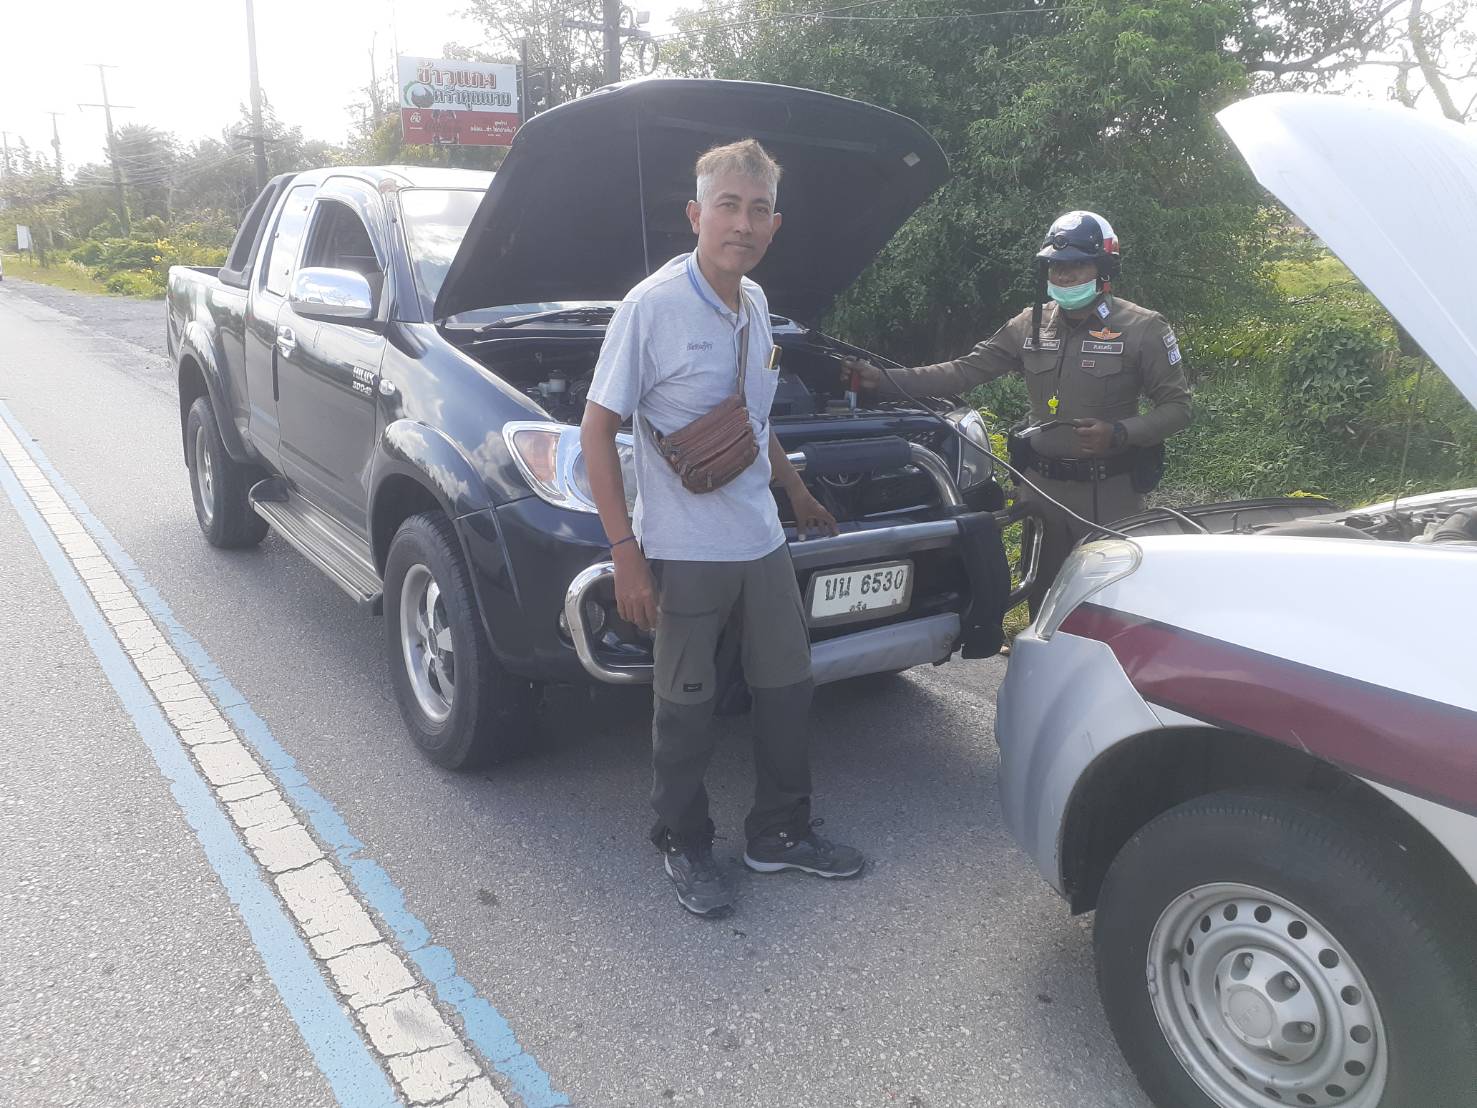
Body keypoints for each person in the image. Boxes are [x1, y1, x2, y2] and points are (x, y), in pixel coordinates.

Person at [581, 139, 865, 918]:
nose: (742, 222)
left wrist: (795, 492)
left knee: (787, 689)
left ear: (775, 223)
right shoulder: (651, 307)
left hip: (759, 537)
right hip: (684, 549)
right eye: (728, 206)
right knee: (686, 705)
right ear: (695, 214)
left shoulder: (756, 302)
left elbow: (752, 417)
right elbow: (597, 429)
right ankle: (682, 839)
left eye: (758, 209)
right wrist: (625, 553)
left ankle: (779, 832)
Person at [843, 210, 1191, 613]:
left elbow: (1179, 407)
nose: (1064, 276)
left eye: (1076, 265)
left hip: (1109, 494)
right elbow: (963, 371)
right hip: (1039, 491)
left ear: (1104, 269)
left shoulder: (1142, 328)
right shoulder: (1029, 324)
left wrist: (1120, 433)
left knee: (1106, 604)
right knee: (1041, 601)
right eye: (1056, 267)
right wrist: (884, 380)